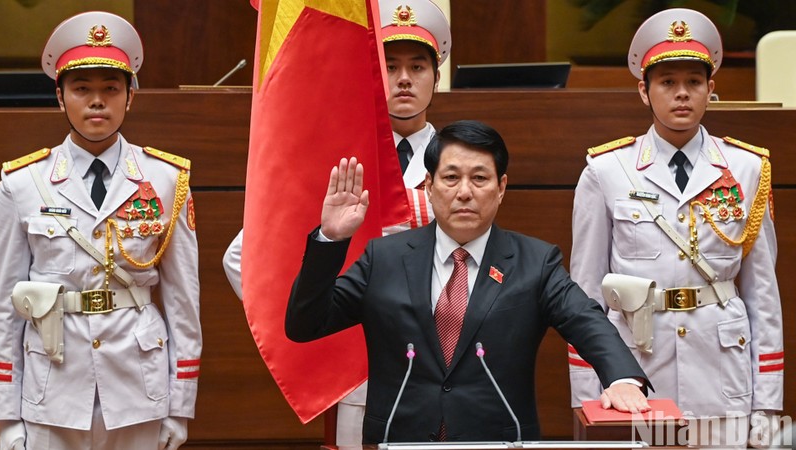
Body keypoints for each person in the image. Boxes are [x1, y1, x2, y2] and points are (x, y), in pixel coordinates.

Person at [286, 120, 650, 443]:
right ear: (429, 186)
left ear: (501, 186)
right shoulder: (384, 258)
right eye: (450, 177)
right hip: (399, 438)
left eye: (479, 178)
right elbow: (305, 324)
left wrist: (621, 378)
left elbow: (585, 318)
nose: (464, 192)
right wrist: (329, 241)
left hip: (498, 439)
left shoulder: (534, 262)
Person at [222, 0, 451, 443]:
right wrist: (320, 316)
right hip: (357, 365)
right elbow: (244, 257)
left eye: (418, 66)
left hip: (440, 359)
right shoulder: (336, 160)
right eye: (389, 64)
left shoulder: (459, 163)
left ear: (436, 78)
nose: (403, 78)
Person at [567, 8, 782, 448]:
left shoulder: (745, 168)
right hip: (635, 370)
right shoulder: (608, 171)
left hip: (722, 368)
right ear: (644, 91)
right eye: (667, 83)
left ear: (711, 90)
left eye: (694, 83)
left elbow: (763, 294)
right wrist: (588, 398)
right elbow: (585, 297)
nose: (681, 94)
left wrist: (768, 407)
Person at [0, 12, 201, 450]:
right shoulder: (22, 184)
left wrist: (181, 405)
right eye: (81, 89)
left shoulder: (166, 180)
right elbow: (5, 305)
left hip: (139, 387)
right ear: (59, 96)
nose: (96, 102)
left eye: (111, 89)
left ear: (131, 98)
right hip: (51, 385)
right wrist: (6, 415)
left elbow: (184, 300)